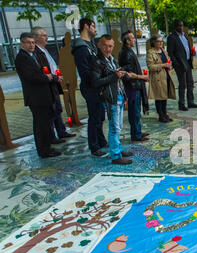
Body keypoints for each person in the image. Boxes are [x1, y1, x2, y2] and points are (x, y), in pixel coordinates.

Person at [90, 34, 137, 165]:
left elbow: (117, 74)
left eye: (110, 46)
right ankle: (115, 155)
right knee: (114, 127)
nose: (108, 48)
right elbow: (96, 82)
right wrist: (114, 76)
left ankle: (118, 149)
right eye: (105, 45)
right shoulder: (97, 61)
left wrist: (122, 74)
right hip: (110, 97)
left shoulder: (111, 59)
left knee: (119, 126)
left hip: (119, 94)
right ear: (100, 44)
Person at [14, 32, 61, 158]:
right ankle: (44, 150)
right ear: (22, 43)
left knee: (45, 123)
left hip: (43, 95)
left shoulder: (32, 55)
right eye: (28, 42)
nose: (31, 45)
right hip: (36, 97)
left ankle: (47, 146)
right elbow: (31, 76)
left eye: (33, 42)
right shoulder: (22, 58)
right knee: (41, 125)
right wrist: (47, 77)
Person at [31, 26, 76, 145]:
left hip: (54, 84)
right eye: (43, 35)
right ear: (35, 37)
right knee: (51, 111)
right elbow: (43, 71)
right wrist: (54, 77)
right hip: (48, 86)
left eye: (46, 35)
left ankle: (61, 131)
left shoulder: (44, 50)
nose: (46, 37)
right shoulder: (36, 52)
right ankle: (52, 137)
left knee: (57, 109)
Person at [72, 18, 108, 157]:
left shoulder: (91, 44)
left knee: (100, 116)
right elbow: (85, 71)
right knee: (94, 117)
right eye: (93, 26)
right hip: (91, 87)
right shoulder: (81, 47)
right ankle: (94, 146)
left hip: (98, 86)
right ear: (86, 26)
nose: (95, 29)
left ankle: (101, 141)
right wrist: (98, 80)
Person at [118, 30, 150, 142]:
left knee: (136, 111)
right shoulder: (125, 53)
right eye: (132, 38)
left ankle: (138, 132)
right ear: (127, 40)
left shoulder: (128, 51)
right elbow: (127, 73)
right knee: (134, 111)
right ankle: (136, 135)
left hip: (135, 85)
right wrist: (142, 77)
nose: (134, 40)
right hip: (132, 87)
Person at [167, 20, 197, 111]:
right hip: (180, 64)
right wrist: (176, 63)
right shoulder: (172, 37)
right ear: (175, 26)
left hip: (188, 62)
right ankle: (181, 104)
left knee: (190, 82)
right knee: (182, 84)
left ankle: (191, 102)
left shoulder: (184, 36)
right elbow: (170, 52)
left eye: (181, 25)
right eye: (179, 25)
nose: (180, 27)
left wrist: (191, 52)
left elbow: (186, 48)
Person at [146, 34, 176, 122]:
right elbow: (150, 66)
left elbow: (168, 60)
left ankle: (164, 113)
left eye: (162, 41)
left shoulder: (163, 51)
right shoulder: (150, 52)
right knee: (159, 97)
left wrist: (169, 65)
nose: (161, 43)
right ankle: (160, 115)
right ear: (154, 42)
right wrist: (163, 65)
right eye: (158, 41)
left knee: (165, 96)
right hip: (157, 78)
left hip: (165, 75)